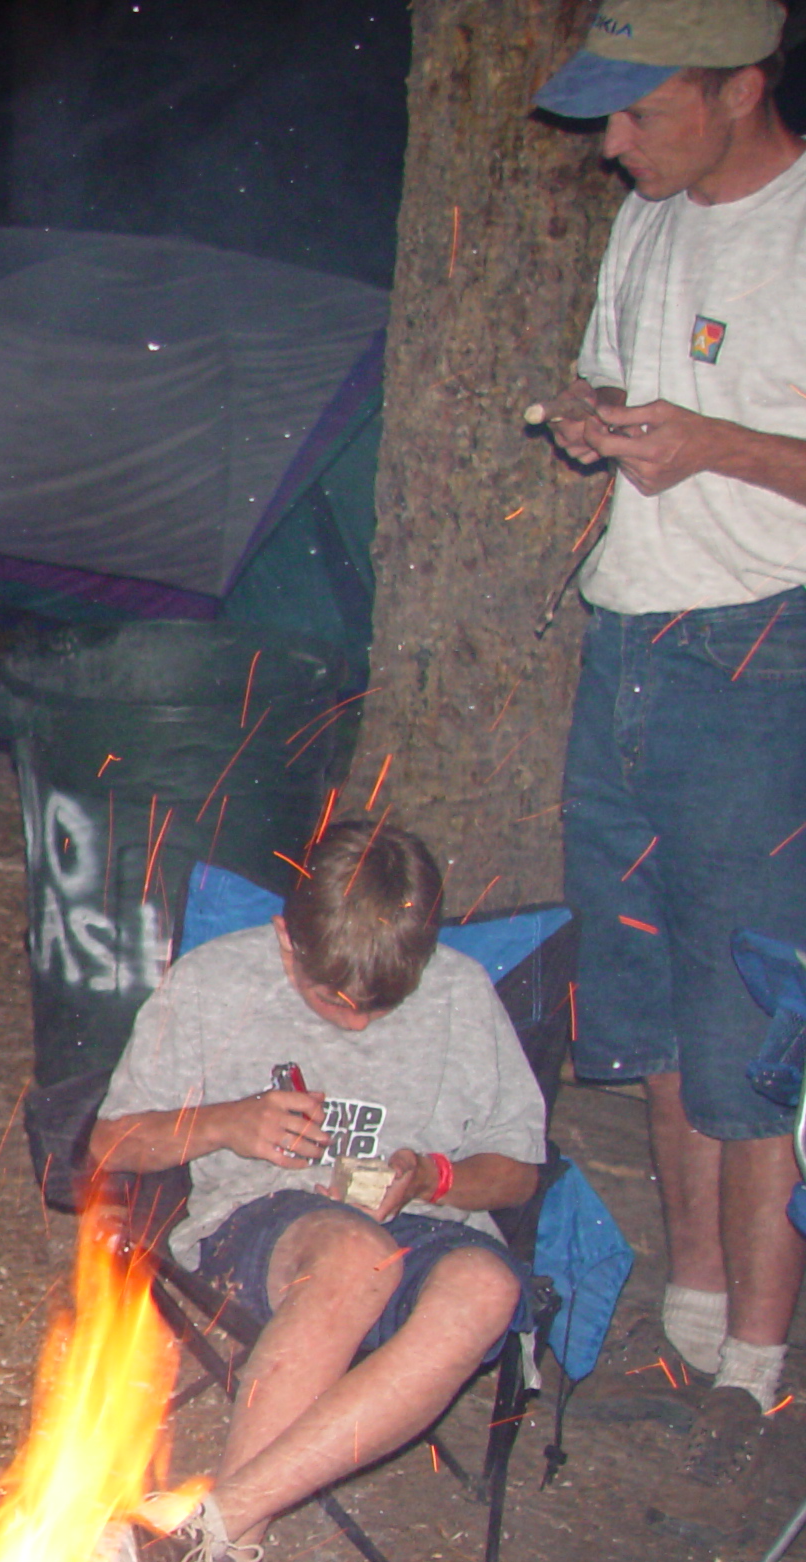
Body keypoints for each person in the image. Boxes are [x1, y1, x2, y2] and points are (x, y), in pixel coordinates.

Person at [531, 0, 806, 1483]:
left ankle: (757, 1367)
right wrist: (595, 420)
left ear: (743, 86)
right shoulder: (645, 223)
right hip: (629, 632)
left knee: (748, 1012)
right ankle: (691, 1323)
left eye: (642, 112)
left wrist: (713, 447)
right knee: (638, 984)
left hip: (767, 650)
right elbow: (607, 374)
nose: (612, 140)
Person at [86, 820, 546, 1562]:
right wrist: (228, 1122)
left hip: (424, 1217)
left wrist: (435, 1177)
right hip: (265, 1221)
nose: (358, 1024)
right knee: (352, 1259)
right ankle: (239, 1555)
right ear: (284, 939)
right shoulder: (215, 984)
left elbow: (519, 1170)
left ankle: (211, 1528)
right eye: (332, 999)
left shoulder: (461, 994)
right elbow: (109, 1142)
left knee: (490, 1289)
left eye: (381, 1004)